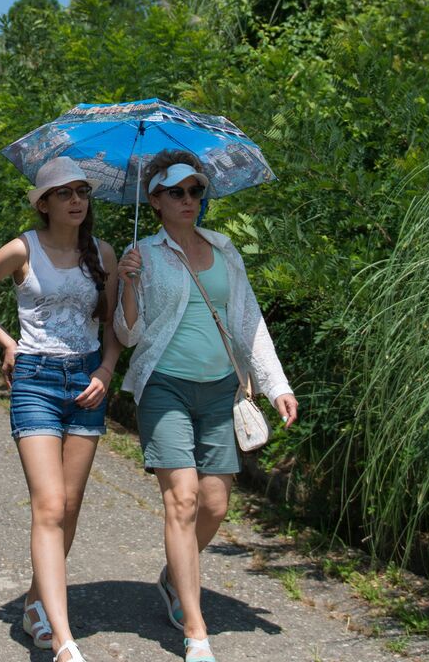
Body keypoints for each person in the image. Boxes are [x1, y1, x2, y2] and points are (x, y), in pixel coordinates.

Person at [115, 150, 299, 662]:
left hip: (222, 387)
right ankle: (195, 629)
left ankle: (175, 576)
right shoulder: (143, 255)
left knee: (216, 504)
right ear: (154, 201)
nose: (190, 200)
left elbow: (248, 321)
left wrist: (276, 383)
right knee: (183, 499)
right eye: (177, 192)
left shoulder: (225, 249)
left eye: (196, 190)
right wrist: (128, 283)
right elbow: (128, 335)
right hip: (166, 386)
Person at [0, 158, 118, 662]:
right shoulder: (23, 248)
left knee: (68, 507)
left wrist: (107, 371)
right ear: (43, 203)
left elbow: (114, 327)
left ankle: (33, 603)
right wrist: (7, 342)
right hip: (37, 381)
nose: (76, 200)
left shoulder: (104, 254)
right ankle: (64, 641)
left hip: (88, 380)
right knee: (48, 505)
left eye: (82, 192)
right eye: (63, 193)